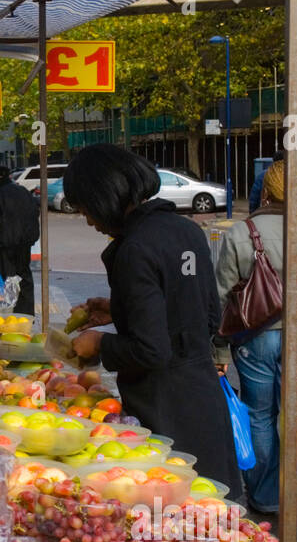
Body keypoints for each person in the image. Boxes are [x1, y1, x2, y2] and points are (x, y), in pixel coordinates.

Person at [62, 145, 242, 501]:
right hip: (202, 392)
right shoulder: (187, 231)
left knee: (173, 513)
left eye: (86, 209)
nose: (88, 221)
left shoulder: (134, 248)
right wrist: (120, 309)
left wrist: (100, 344)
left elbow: (151, 350)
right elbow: (203, 312)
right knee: (211, 503)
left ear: (104, 196)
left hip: (164, 405)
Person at [214, 160, 297, 530]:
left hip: (254, 337)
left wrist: (219, 352)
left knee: (259, 414)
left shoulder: (241, 234)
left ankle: (265, 496)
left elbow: (221, 299)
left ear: (265, 192)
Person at [0, 165, 40, 315]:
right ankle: (25, 315)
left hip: (2, 246)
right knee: (24, 278)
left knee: (2, 282)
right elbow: (34, 213)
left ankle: (5, 315)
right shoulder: (23, 191)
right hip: (24, 244)